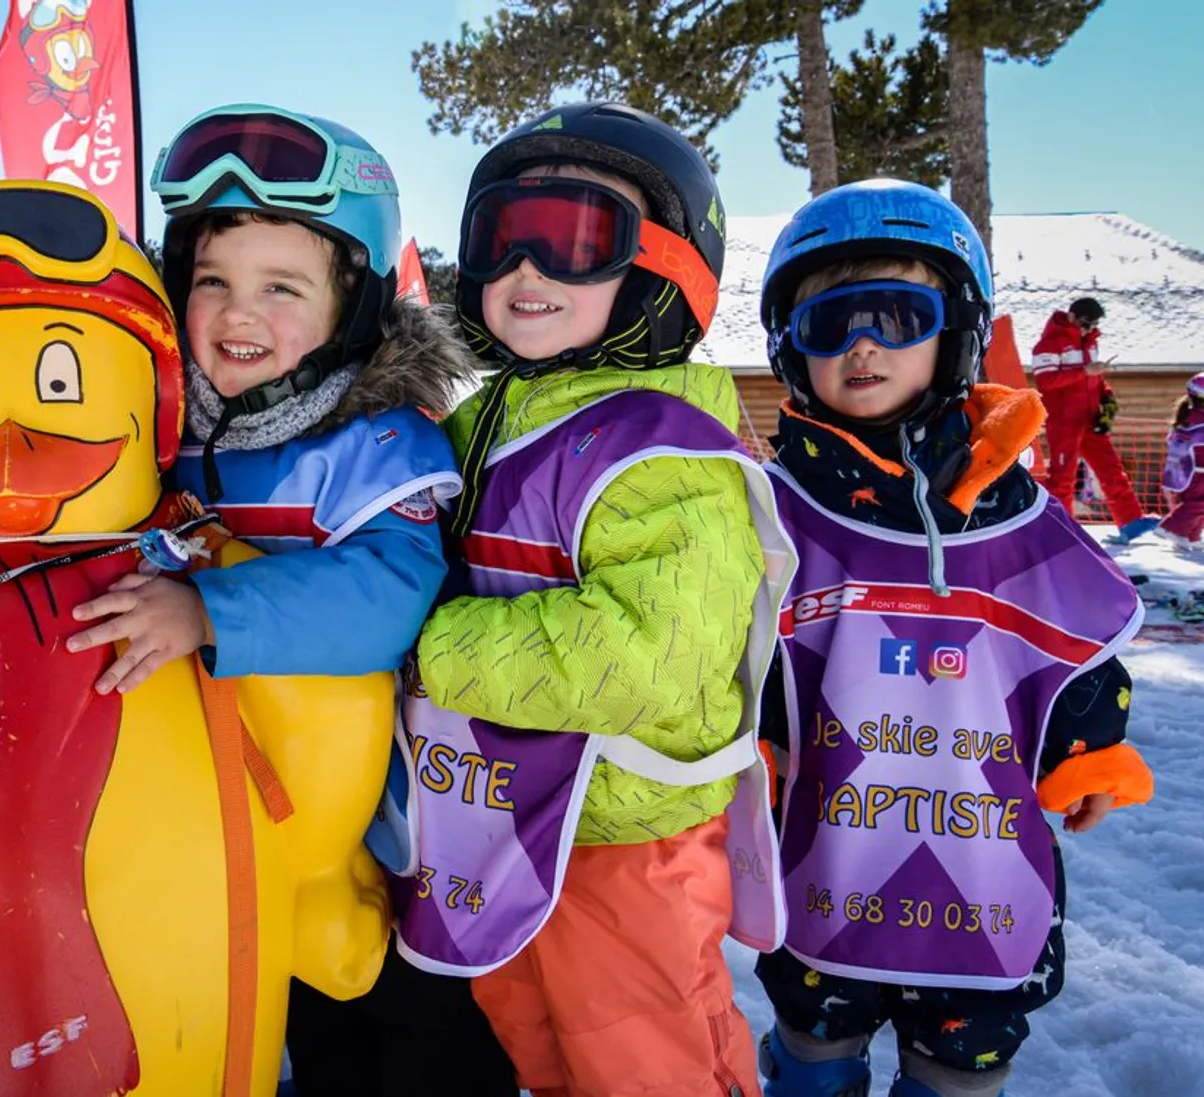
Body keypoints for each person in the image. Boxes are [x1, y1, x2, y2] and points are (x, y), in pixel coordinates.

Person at [68, 103, 501, 1095]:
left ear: (353, 304)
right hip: (205, 816)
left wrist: (208, 611)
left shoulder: (375, 442)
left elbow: (389, 593)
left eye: (280, 286)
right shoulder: (154, 434)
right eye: (211, 280)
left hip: (376, 835)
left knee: (406, 1031)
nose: (237, 313)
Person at [394, 101, 792, 1097]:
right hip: (500, 818)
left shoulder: (662, 447)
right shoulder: (480, 424)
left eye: (573, 239)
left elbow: (644, 653)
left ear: (663, 267)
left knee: (643, 1060)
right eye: (501, 238)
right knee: (540, 1046)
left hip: (625, 839)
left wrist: (424, 647)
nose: (526, 270)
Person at [753, 178, 1152, 1097]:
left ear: (959, 332)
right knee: (812, 1042)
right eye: (829, 324)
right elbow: (743, 650)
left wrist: (1088, 747)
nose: (861, 345)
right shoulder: (776, 515)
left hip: (981, 869)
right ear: (789, 348)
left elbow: (1074, 643)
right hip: (825, 857)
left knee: (961, 1062)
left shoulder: (1015, 515)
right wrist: (749, 746)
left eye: (898, 316)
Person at [1030, 295, 1158, 541]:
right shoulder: (1048, 344)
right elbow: (1046, 381)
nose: (1089, 329)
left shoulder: (1090, 343)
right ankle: (1061, 530)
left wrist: (1107, 399)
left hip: (1090, 419)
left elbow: (1094, 379)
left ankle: (1131, 521)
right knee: (1063, 477)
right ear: (1071, 317)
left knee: (1112, 470)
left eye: (1094, 325)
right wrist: (1084, 372)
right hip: (1065, 421)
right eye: (1085, 323)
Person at [1156, 371, 1204, 548]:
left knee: (1197, 503)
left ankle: (1191, 536)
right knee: (1199, 504)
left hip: (1187, 470)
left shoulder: (1188, 416)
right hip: (1201, 470)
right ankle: (1172, 527)